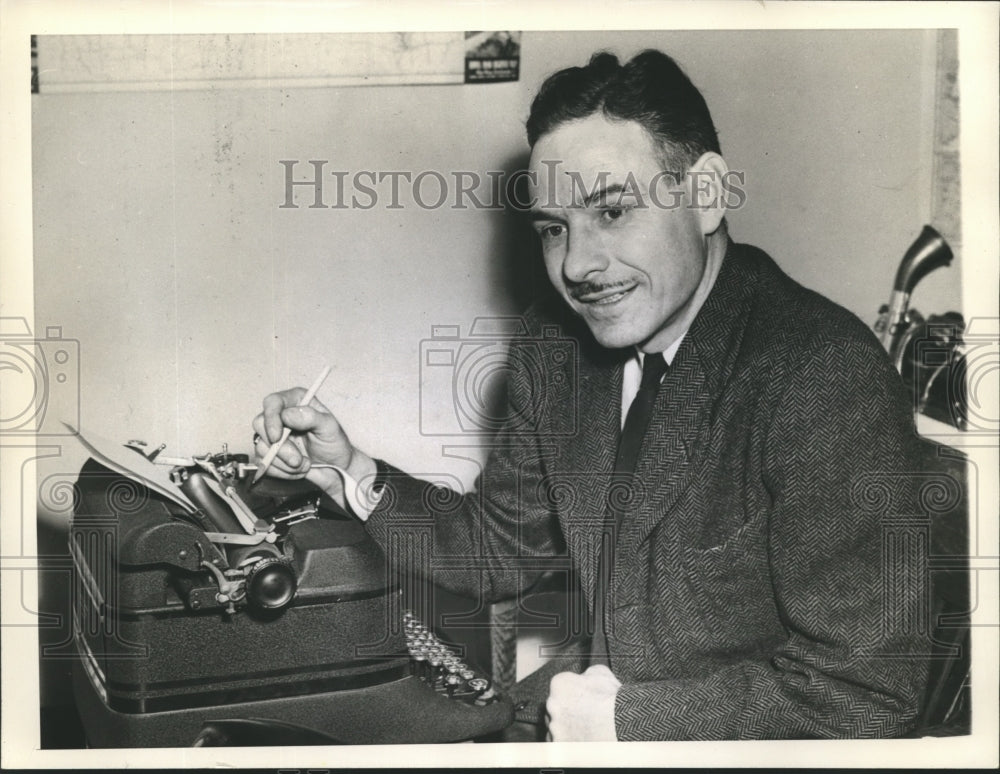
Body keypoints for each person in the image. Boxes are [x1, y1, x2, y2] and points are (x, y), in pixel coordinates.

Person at [253, 50, 930, 741]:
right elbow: (497, 549)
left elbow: (866, 695)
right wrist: (345, 468)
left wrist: (625, 724)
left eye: (611, 211)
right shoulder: (554, 351)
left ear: (706, 195)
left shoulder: (823, 374)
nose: (576, 265)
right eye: (554, 229)